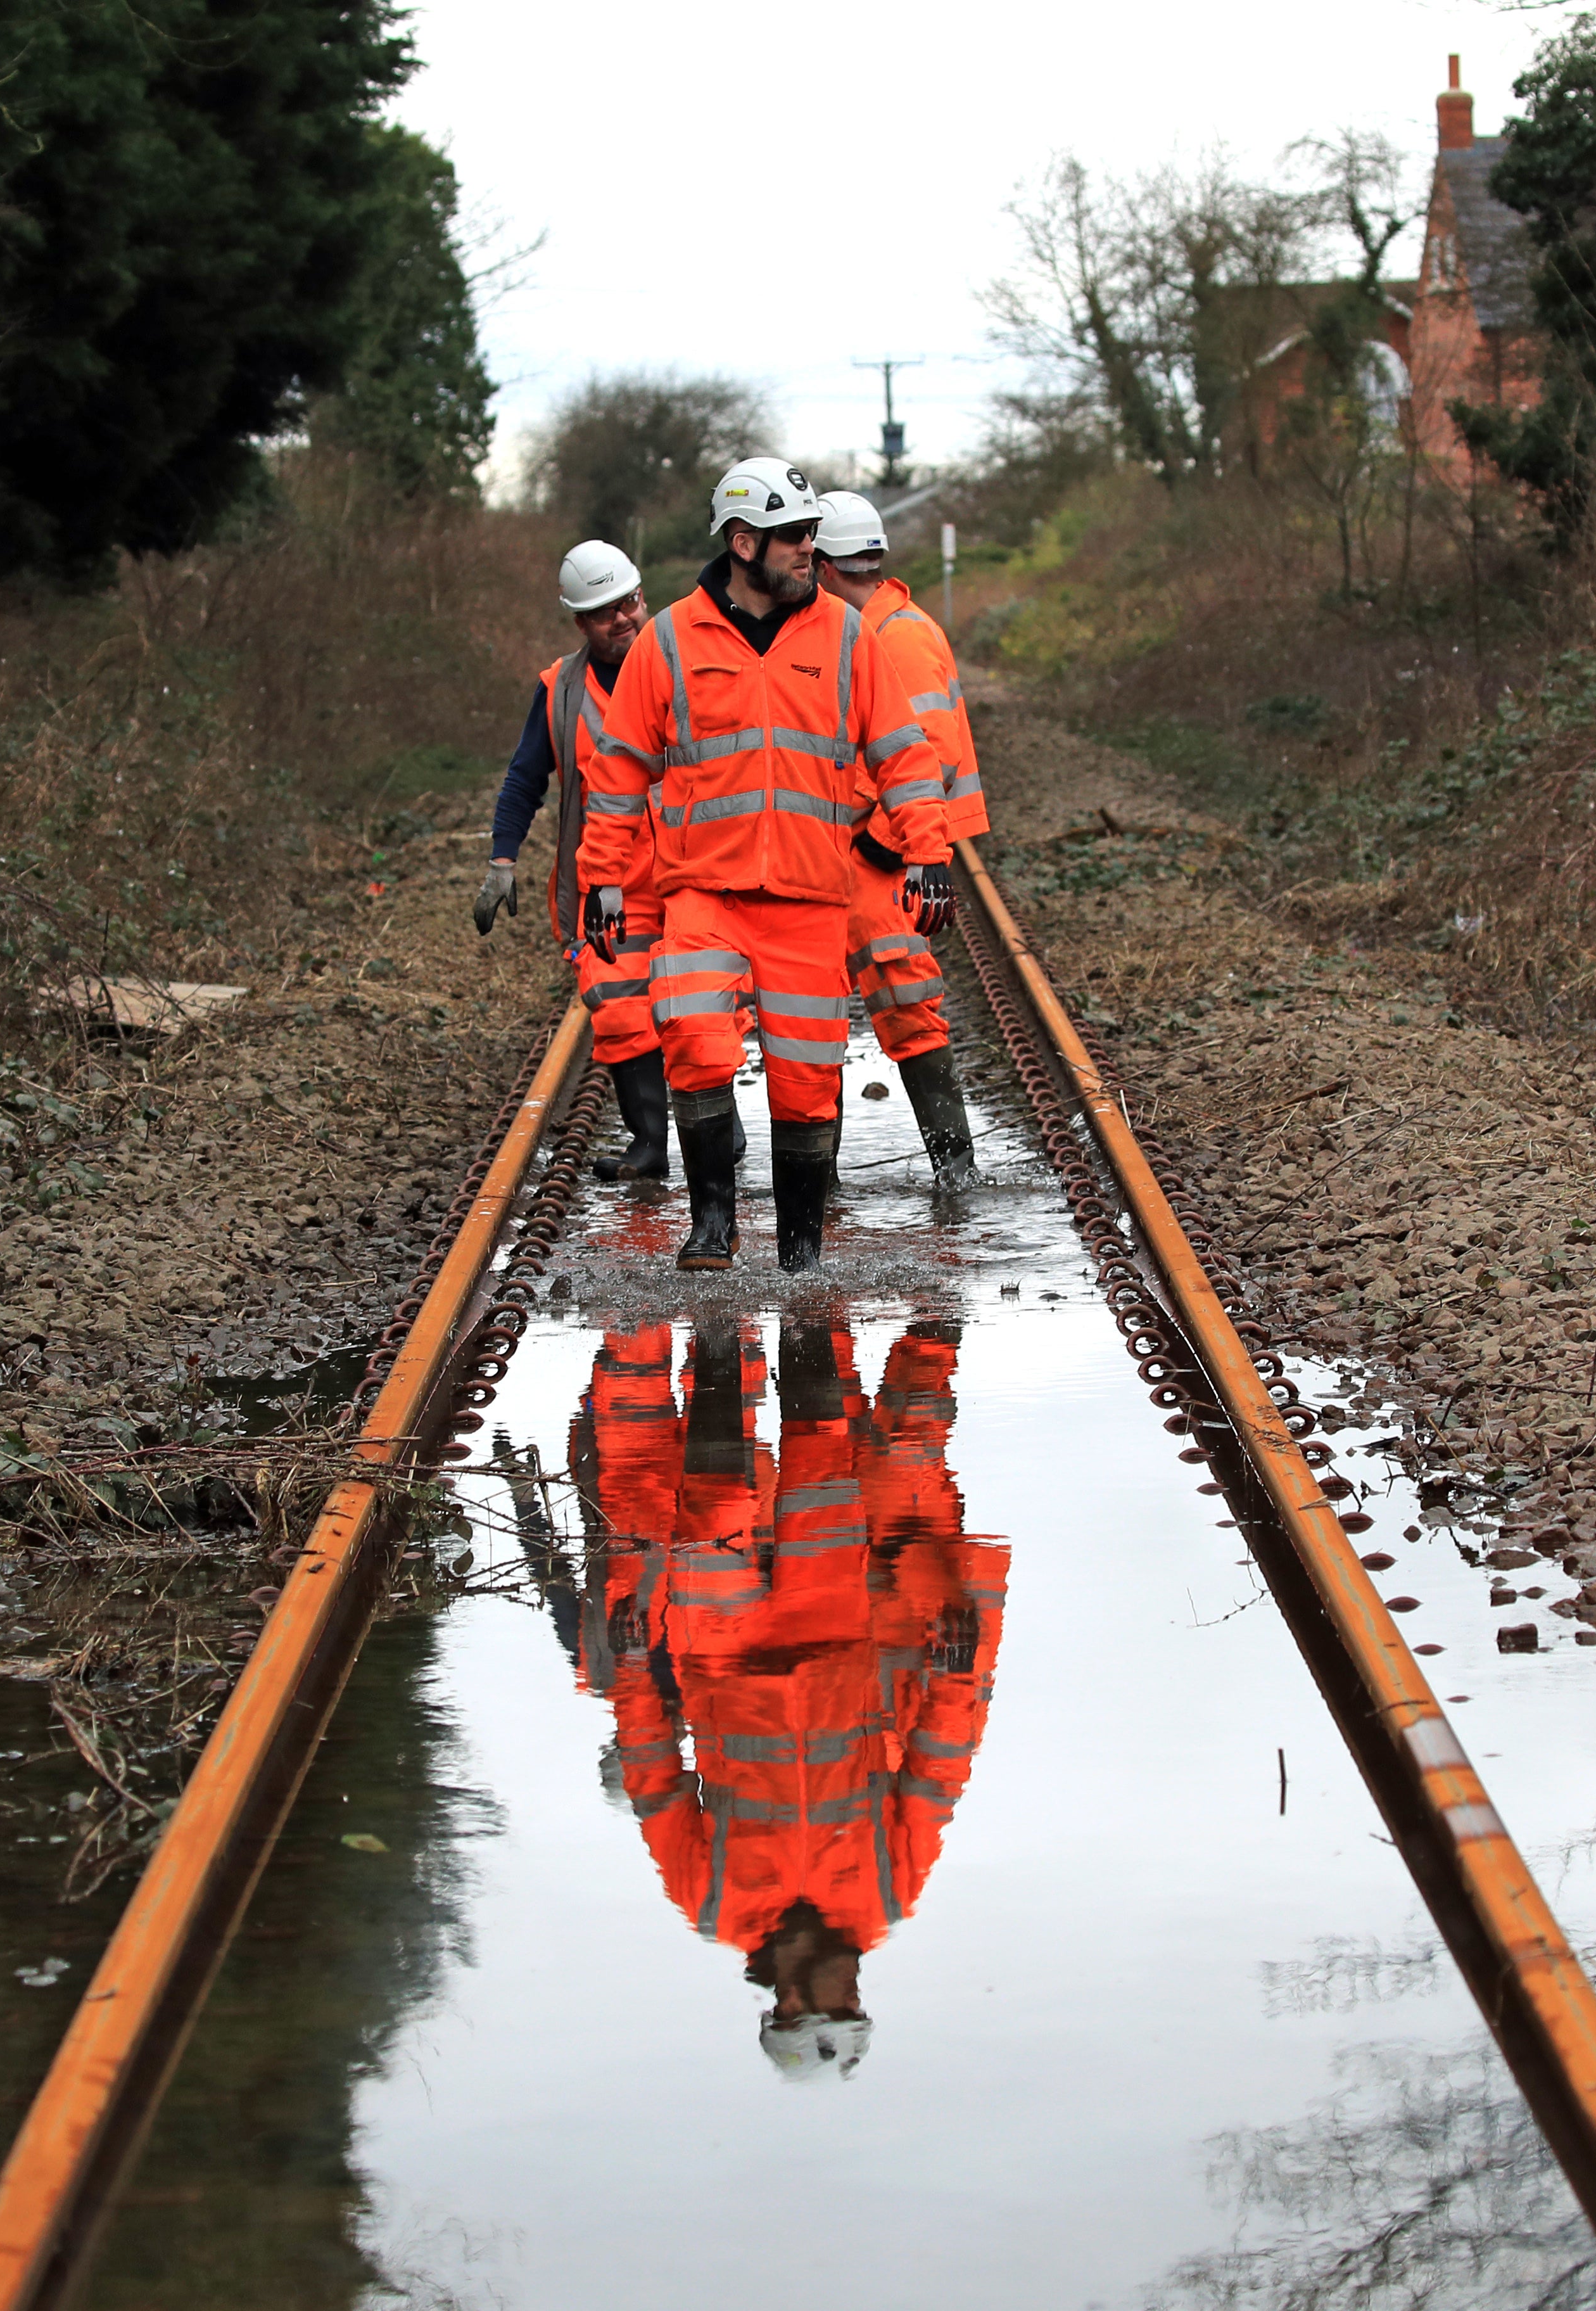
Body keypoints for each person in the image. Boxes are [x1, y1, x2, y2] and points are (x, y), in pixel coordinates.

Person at [573, 1313, 1006, 2084]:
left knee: (713, 1494)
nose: (857, 1990)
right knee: (819, 1462)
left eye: (842, 2004)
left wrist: (636, 1672)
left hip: (720, 1654)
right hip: (837, 1637)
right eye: (855, 2004)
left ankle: (718, 1318)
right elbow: (938, 1775)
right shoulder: (887, 1898)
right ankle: (809, 1296)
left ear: (791, 2002)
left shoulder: (711, 1905)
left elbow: (653, 1780)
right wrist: (955, 1677)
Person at [576, 461, 957, 1270]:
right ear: (743, 542)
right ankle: (712, 1224)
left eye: (813, 536)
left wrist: (929, 850)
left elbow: (901, 753)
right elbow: (617, 769)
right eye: (793, 538)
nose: (808, 552)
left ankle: (801, 1251)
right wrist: (602, 878)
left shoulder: (846, 636)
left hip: (810, 899)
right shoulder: (670, 640)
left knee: (809, 1074)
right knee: (697, 1042)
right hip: (700, 893)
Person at [476, 540, 671, 1180]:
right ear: (580, 622)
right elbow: (525, 779)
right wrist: (503, 860)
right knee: (618, 1005)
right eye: (605, 612)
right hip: (607, 882)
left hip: (688, 872)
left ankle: (716, 1134)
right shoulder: (560, 689)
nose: (624, 619)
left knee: (703, 1008)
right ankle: (649, 1144)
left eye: (630, 604)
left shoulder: (686, 664)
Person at [810, 490, 987, 1191]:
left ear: (825, 566)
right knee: (814, 1010)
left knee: (905, 1001)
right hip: (847, 851)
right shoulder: (859, 629)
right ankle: (815, 1180)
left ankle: (956, 1169)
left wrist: (888, 846)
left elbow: (931, 753)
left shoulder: (898, 636)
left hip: (881, 857)